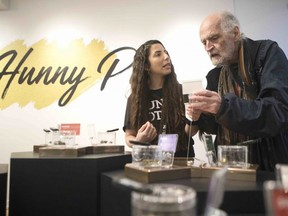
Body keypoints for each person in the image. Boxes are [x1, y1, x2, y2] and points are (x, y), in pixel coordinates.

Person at [187, 11, 288, 171]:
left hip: (267, 165)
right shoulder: (215, 75)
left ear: (235, 33)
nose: (208, 47)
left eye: (213, 38)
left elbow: (278, 112)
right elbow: (215, 128)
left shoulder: (267, 54)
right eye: (204, 42)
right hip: (228, 166)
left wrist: (223, 107)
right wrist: (201, 116)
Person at [123, 40, 197, 157]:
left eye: (166, 52)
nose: (167, 57)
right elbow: (129, 136)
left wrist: (195, 117)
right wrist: (139, 140)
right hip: (149, 161)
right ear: (146, 65)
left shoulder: (182, 92)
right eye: (158, 54)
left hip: (181, 160)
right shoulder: (135, 98)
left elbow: (190, 132)